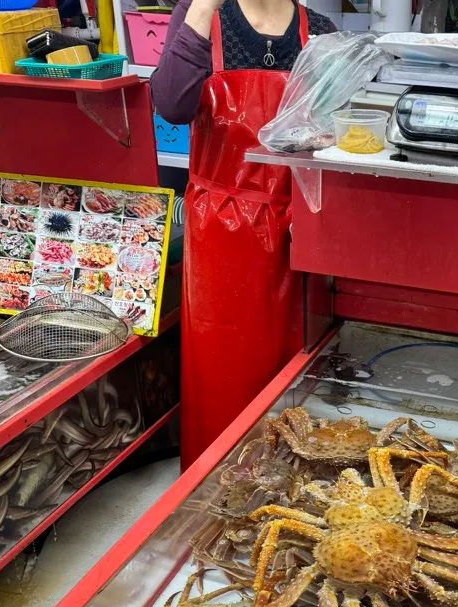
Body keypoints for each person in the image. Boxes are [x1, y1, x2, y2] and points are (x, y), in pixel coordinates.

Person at [151, 0, 335, 468]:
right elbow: (171, 104)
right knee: (221, 370)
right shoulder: (201, 17)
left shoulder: (319, 30)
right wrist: (201, 8)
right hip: (220, 232)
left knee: (293, 370)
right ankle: (211, 485)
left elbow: (337, 131)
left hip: (297, 232)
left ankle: (290, 484)